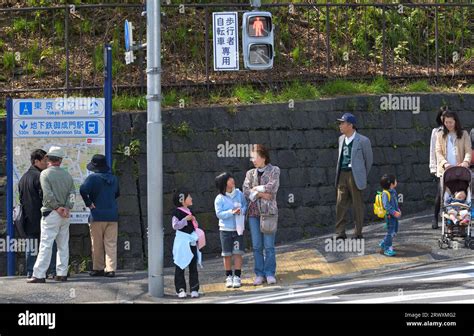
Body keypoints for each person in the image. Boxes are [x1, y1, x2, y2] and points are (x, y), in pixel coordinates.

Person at [28, 146, 75, 283]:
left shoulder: (45, 174)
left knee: (46, 244)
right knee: (63, 244)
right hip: (65, 214)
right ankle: (62, 273)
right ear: (60, 160)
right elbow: (72, 194)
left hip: (51, 213)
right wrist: (67, 207)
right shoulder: (67, 175)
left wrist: (57, 207)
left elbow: (48, 195)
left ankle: (39, 274)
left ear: (48, 158)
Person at [243, 144, 280, 286]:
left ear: (263, 157)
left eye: (255, 157)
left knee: (269, 246)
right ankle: (259, 273)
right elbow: (246, 190)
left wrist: (256, 191)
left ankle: (270, 272)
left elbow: (273, 187)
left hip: (268, 212)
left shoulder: (274, 170)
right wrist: (262, 194)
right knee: (257, 245)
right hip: (253, 213)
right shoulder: (249, 173)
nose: (253, 160)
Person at [18, 149, 57, 279]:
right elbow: (45, 197)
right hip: (42, 216)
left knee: (32, 246)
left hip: (28, 218)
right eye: (44, 161)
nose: (47, 163)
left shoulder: (23, 177)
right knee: (49, 244)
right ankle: (52, 271)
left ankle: (30, 271)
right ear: (36, 161)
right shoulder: (41, 177)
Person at [80, 154, 120, 278]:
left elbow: (82, 189)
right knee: (111, 243)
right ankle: (111, 269)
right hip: (112, 215)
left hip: (97, 215)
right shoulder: (114, 178)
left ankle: (98, 268)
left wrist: (89, 203)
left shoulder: (92, 178)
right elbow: (117, 193)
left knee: (97, 244)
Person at [335, 113, 373, 240]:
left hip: (354, 174)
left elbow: (369, 161)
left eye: (342, 123)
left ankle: (358, 232)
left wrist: (361, 174)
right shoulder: (341, 139)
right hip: (342, 173)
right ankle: (340, 232)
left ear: (350, 125)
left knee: (357, 204)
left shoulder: (363, 140)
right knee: (340, 203)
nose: (340, 125)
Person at [214, 172, 248, 289]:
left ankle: (237, 276)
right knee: (227, 254)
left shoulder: (239, 193)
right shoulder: (219, 198)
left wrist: (241, 211)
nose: (232, 180)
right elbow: (219, 214)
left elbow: (245, 205)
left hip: (238, 229)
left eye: (231, 178)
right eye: (229, 179)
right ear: (224, 183)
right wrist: (231, 212)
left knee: (238, 253)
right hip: (225, 230)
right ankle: (229, 276)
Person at [171, 190, 201, 298]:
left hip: (191, 241)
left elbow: (195, 226)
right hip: (182, 241)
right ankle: (180, 289)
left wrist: (193, 220)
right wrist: (185, 219)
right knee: (180, 264)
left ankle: (194, 288)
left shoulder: (191, 211)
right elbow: (175, 225)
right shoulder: (176, 212)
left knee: (193, 265)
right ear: (182, 200)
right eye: (189, 197)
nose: (191, 198)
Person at [435, 110, 471, 177]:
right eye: (446, 122)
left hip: (461, 170)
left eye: (451, 122)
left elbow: (468, 151)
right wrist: (445, 163)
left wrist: (466, 162)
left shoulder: (464, 134)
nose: (448, 125)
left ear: (455, 122)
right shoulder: (440, 134)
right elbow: (438, 152)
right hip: (445, 170)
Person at [378, 174, 401, 257]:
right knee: (390, 232)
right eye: (395, 180)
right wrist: (394, 212)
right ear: (391, 184)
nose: (396, 182)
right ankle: (387, 248)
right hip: (390, 216)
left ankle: (384, 242)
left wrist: (398, 210)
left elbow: (395, 202)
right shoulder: (385, 193)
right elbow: (386, 206)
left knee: (394, 230)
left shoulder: (393, 191)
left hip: (394, 215)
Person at [429, 108, 445, 229]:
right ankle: (435, 217)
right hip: (441, 166)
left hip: (453, 165)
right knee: (439, 193)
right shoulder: (436, 131)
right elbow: (433, 150)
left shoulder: (456, 131)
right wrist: (433, 167)